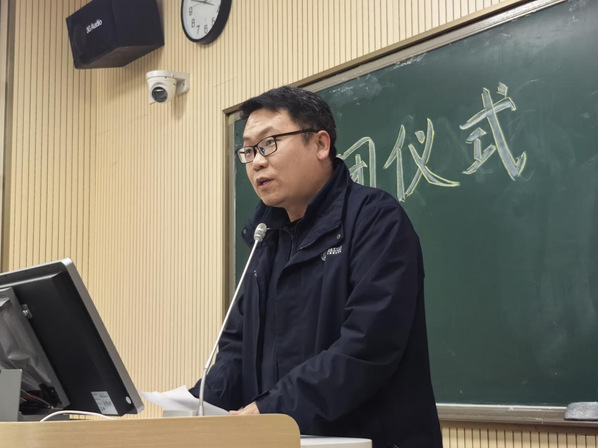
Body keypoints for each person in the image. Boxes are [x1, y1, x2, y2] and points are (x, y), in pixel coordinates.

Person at [191, 86, 442, 448]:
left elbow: (366, 348)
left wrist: (270, 410)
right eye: (248, 150)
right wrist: (198, 406)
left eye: (269, 144)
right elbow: (236, 348)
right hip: (284, 439)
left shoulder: (375, 221)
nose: (256, 162)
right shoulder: (265, 238)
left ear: (321, 144)